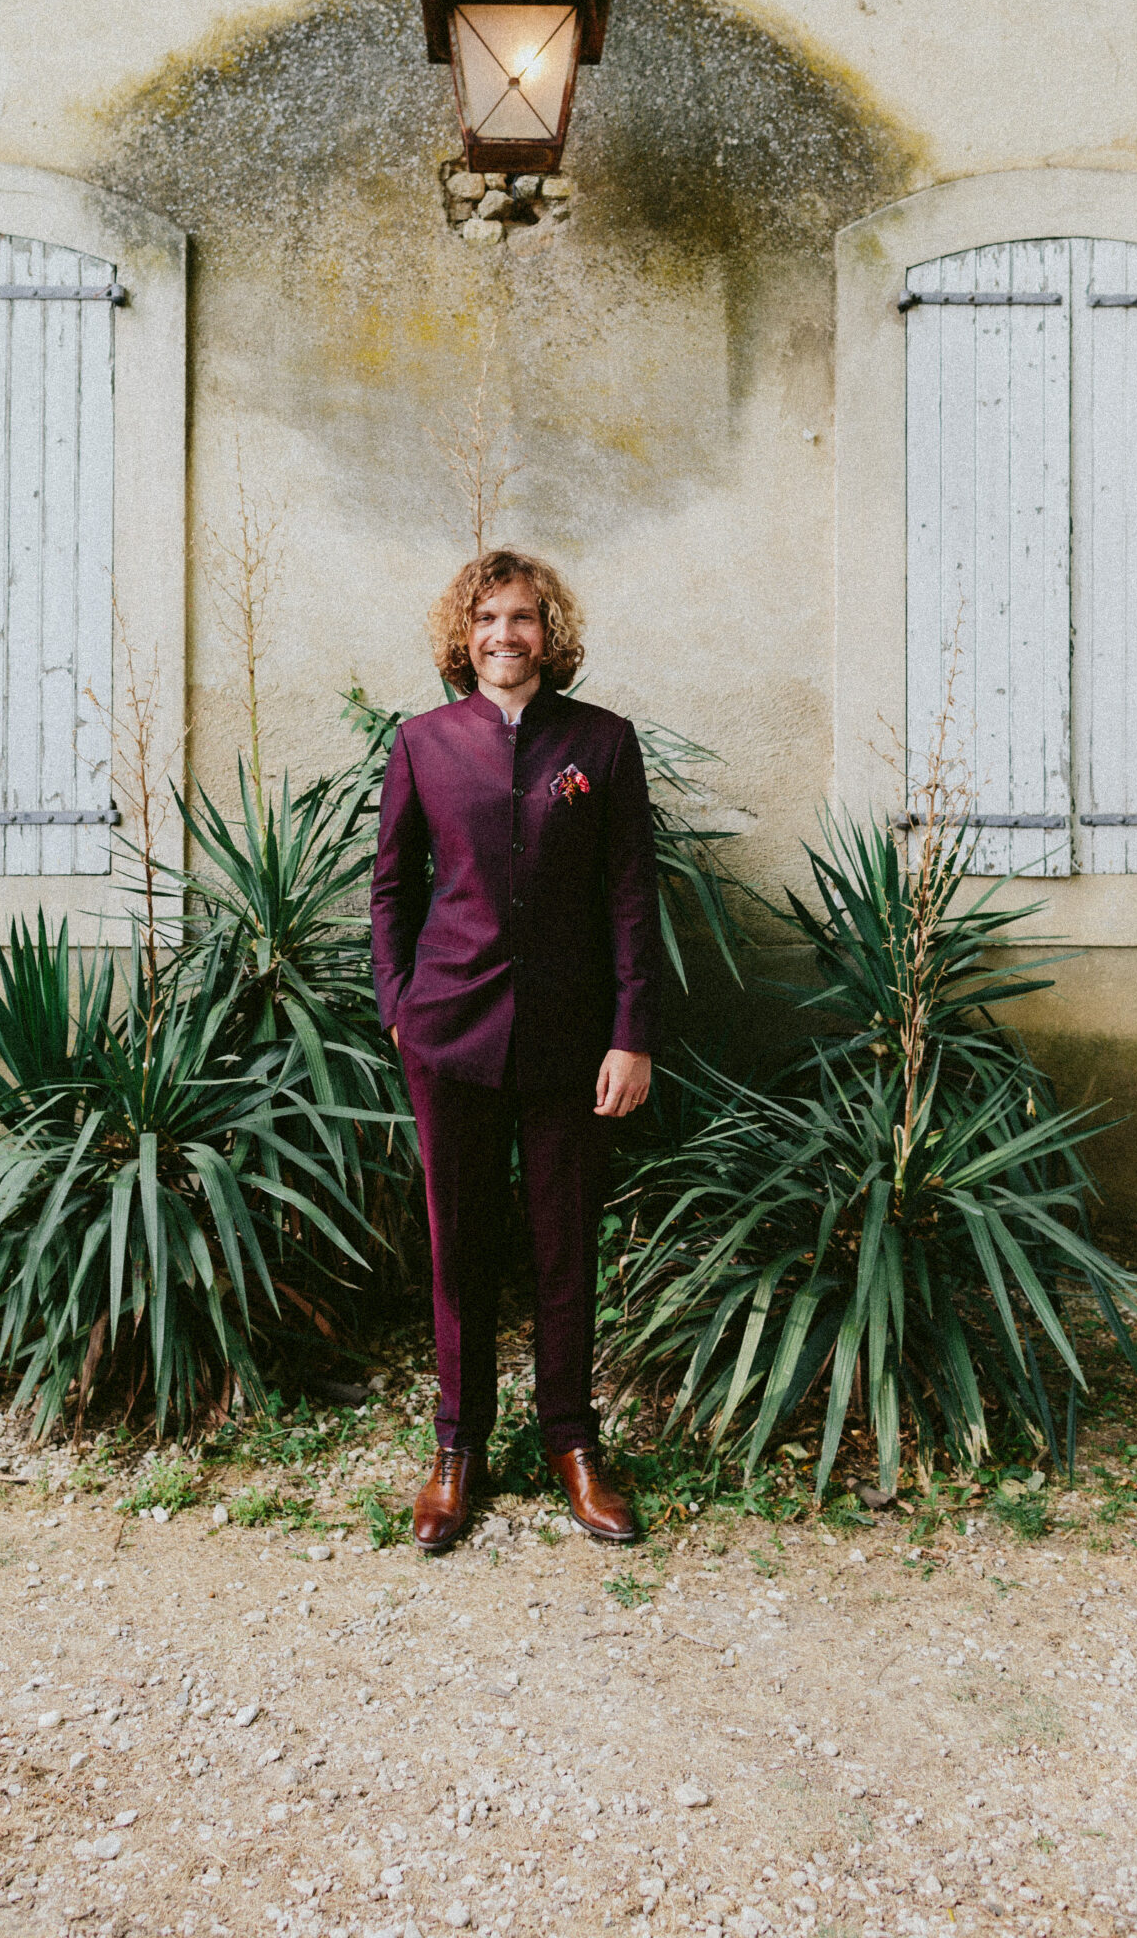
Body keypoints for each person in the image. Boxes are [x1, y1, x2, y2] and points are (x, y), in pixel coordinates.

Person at [370, 548, 663, 1550]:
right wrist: (399, 1007)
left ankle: (572, 1443)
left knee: (563, 1246)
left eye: (524, 616)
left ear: (550, 632)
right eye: (488, 617)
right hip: (447, 1034)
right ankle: (459, 1447)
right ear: (465, 636)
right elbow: (392, 889)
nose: (506, 634)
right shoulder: (422, 743)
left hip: (572, 1043)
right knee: (460, 1246)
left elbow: (632, 898)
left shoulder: (602, 743)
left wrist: (631, 1034)